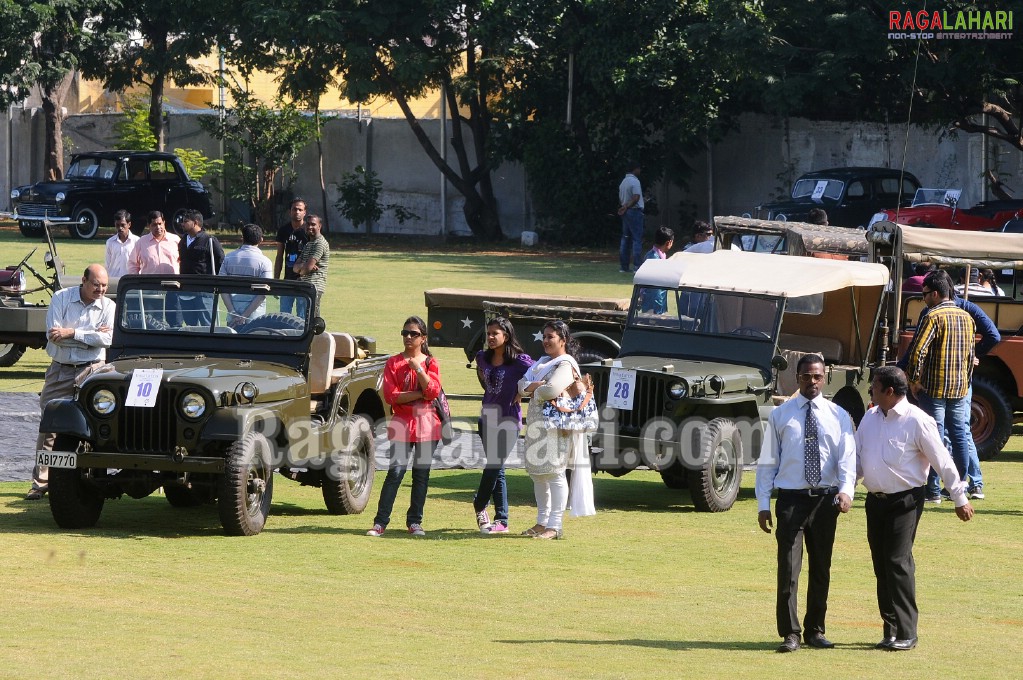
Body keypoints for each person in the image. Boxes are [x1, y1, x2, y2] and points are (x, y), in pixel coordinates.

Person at [855, 366, 974, 651]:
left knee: (897, 561)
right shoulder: (870, 418)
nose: (871, 389)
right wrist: (844, 490)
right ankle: (890, 629)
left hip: (905, 501)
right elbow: (858, 459)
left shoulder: (918, 421)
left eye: (875, 386)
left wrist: (959, 497)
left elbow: (942, 460)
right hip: (875, 502)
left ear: (890, 392)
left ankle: (908, 631)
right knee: (881, 564)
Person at [755, 354, 856, 653]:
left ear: (824, 378)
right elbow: (767, 462)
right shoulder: (780, 415)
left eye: (817, 377)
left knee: (821, 568)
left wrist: (847, 491)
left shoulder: (839, 415)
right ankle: (790, 633)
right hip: (790, 501)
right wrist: (762, 503)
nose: (811, 382)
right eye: (805, 377)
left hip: (826, 501)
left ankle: (816, 630)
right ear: (796, 378)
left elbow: (847, 459)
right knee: (788, 568)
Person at [898, 269, 999, 500]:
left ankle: (933, 490)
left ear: (934, 294)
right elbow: (974, 351)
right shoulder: (967, 316)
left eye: (924, 294)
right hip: (960, 388)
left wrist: (913, 381)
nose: (922, 298)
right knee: (961, 436)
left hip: (933, 388)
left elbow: (917, 352)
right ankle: (960, 487)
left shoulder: (932, 316)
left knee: (934, 437)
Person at [26, 265, 115, 500]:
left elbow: (107, 339)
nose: (101, 289)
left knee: (96, 424)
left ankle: (94, 479)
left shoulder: (109, 306)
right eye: (96, 284)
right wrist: (89, 337)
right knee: (50, 427)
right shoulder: (61, 298)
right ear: (83, 280)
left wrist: (72, 333)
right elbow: (53, 335)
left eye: (104, 285)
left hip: (93, 371)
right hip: (60, 370)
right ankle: (40, 483)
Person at [366, 316, 442, 537]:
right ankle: (380, 522)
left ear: (423, 338)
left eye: (414, 334)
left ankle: (415, 522)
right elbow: (391, 396)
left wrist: (419, 370)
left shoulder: (430, 362)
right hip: (402, 425)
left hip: (428, 426)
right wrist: (420, 393)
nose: (408, 337)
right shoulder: (393, 362)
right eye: (405, 333)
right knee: (395, 473)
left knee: (421, 475)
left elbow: (434, 392)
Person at [518, 320, 593, 540]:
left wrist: (534, 389)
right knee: (538, 474)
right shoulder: (541, 363)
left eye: (551, 336)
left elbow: (552, 390)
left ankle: (555, 525)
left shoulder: (566, 364)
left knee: (554, 473)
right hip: (536, 426)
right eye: (544, 336)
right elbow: (520, 386)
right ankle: (542, 522)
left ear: (563, 340)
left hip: (556, 428)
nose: (545, 341)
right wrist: (532, 387)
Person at [473, 317, 534, 534]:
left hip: (509, 420)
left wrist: (522, 392)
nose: (490, 337)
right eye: (488, 333)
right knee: (497, 469)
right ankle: (502, 520)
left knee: (494, 464)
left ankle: (479, 503)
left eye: (494, 334)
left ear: (505, 336)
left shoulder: (520, 361)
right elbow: (485, 381)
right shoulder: (482, 358)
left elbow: (542, 374)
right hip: (486, 420)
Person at [178, 209, 225, 326]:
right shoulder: (183, 240)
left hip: (204, 291)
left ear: (195, 222)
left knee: (207, 324)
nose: (182, 224)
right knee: (190, 325)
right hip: (186, 289)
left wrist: (215, 282)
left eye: (185, 221)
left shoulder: (209, 240)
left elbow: (220, 261)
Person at [220, 223, 274, 327]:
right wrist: (245, 316)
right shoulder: (265, 262)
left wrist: (232, 312)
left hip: (232, 316)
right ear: (261, 240)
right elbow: (263, 293)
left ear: (242, 238)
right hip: (255, 317)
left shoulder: (228, 258)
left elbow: (222, 287)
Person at [274, 197, 309, 316]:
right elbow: (279, 256)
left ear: (305, 212)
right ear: (290, 211)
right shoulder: (284, 230)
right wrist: (276, 280)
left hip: (304, 280)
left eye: (300, 209)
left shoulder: (309, 231)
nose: (297, 212)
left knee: (302, 316)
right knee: (284, 315)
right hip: (288, 279)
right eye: (294, 209)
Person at [292, 213, 329, 316]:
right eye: (308, 224)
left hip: (314, 287)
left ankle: (317, 333)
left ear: (319, 226)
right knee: (303, 319)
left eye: (313, 224)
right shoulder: (309, 244)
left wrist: (303, 268)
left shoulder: (320, 244)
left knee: (312, 319)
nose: (309, 227)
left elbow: (305, 270)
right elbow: (295, 268)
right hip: (305, 286)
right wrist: (304, 265)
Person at [129, 211, 180, 275]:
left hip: (172, 282)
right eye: (154, 225)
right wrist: (136, 281)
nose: (158, 227)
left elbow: (183, 261)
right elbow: (133, 264)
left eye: (160, 224)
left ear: (164, 223)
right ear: (148, 226)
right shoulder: (141, 242)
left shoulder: (175, 240)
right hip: (150, 283)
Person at [617, 161, 645, 273]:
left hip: (626, 213)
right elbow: (636, 197)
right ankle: (637, 266)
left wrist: (623, 206)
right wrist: (627, 206)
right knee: (637, 239)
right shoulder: (635, 181)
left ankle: (624, 267)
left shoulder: (623, 182)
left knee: (625, 238)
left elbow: (621, 198)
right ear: (635, 169)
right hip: (634, 211)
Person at [639, 227, 675, 313]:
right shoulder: (654, 258)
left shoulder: (656, 255)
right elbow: (654, 285)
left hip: (657, 299)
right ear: (668, 242)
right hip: (653, 302)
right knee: (653, 322)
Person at [104, 210, 139, 279]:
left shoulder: (137, 241)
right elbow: (107, 264)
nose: (120, 228)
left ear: (129, 224)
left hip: (131, 280)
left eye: (123, 225)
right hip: (113, 279)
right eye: (117, 225)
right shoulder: (110, 242)